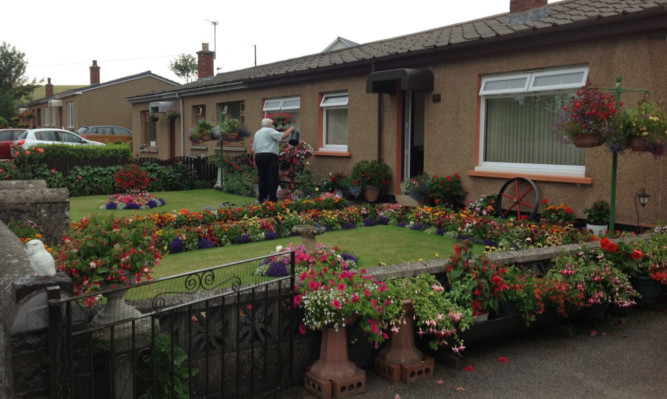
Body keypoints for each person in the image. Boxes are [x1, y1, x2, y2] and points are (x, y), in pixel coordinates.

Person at [252, 118, 294, 203]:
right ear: (269, 125)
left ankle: (262, 198)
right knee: (272, 177)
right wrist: (291, 129)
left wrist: (255, 161)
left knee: (262, 177)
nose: (272, 126)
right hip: (269, 156)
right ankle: (272, 199)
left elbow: (254, 149)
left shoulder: (257, 133)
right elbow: (283, 136)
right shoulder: (269, 131)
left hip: (259, 156)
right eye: (272, 125)